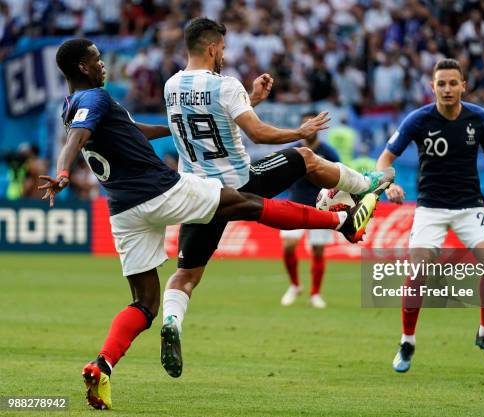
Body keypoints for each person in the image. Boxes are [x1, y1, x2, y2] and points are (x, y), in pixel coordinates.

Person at [42, 38, 379, 410]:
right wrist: (61, 170)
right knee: (244, 202)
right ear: (84, 68)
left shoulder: (70, 106)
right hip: (160, 190)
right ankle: (341, 221)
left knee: (144, 303)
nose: (103, 64)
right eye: (97, 59)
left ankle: (102, 363)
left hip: (123, 211)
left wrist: (177, 127)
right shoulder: (95, 99)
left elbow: (132, 130)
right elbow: (78, 137)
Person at [160, 17, 395, 378]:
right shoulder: (225, 85)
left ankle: (172, 321)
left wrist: (249, 99)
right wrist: (299, 131)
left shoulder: (171, 86)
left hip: (197, 193)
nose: (223, 54)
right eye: (222, 49)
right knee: (304, 157)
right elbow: (257, 132)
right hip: (240, 183)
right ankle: (365, 184)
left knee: (186, 276)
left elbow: (208, 117)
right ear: (211, 49)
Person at [376, 58, 484, 373]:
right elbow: (385, 158)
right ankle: (407, 342)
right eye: (441, 83)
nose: (448, 89)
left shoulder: (479, 118)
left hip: (470, 206)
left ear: (463, 86)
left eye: (453, 83)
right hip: (430, 207)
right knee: (418, 270)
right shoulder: (417, 120)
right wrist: (389, 183)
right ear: (433, 87)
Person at [279, 112, 341, 309]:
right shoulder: (292, 151)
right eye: (305, 123)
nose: (309, 127)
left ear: (318, 127)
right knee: (288, 245)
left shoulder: (328, 152)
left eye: (312, 123)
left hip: (320, 207)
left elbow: (340, 176)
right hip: (295, 203)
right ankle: (295, 285)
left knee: (318, 250)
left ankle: (315, 294)